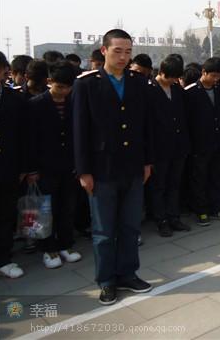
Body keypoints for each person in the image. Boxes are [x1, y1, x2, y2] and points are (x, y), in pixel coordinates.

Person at [73, 29, 155, 305]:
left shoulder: (139, 82)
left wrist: (146, 161)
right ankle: (107, 281)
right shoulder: (86, 84)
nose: (123, 56)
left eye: (128, 51)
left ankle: (128, 274)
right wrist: (83, 170)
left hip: (133, 167)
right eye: (118, 50)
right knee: (104, 231)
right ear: (104, 50)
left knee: (131, 226)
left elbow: (146, 125)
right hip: (101, 169)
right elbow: (80, 131)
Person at [26, 61, 82, 269]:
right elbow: (30, 140)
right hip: (44, 167)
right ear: (49, 82)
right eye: (60, 87)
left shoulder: (74, 102)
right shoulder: (36, 104)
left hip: (69, 165)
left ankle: (66, 244)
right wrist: (31, 169)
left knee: (67, 207)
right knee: (45, 210)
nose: (64, 92)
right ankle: (48, 249)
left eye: (68, 88)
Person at [149, 55, 191, 237]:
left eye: (177, 77)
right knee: (159, 186)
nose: (174, 80)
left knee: (174, 184)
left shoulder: (177, 89)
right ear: (162, 72)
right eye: (171, 77)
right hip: (159, 148)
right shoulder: (148, 89)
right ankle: (161, 220)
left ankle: (174, 216)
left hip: (178, 146)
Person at [184, 57, 220, 226]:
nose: (216, 79)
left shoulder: (219, 90)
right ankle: (201, 210)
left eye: (218, 76)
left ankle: (216, 207)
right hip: (199, 144)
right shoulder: (190, 92)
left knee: (217, 176)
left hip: (218, 142)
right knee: (199, 178)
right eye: (213, 76)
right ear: (204, 72)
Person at [0, 50, 27, 279]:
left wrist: (23, 166)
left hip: (7, 166)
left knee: (5, 213)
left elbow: (21, 135)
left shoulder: (12, 97)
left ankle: (3, 258)